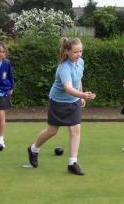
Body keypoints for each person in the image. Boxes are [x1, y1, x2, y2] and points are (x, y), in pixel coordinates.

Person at [27, 37, 96, 175]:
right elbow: (68, 88)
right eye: (76, 52)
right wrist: (82, 96)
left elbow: (79, 79)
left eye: (81, 51)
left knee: (75, 130)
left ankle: (72, 163)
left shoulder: (81, 62)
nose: (79, 54)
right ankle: (33, 149)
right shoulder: (63, 68)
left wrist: (81, 93)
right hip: (58, 102)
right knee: (52, 131)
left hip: (73, 101)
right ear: (67, 51)